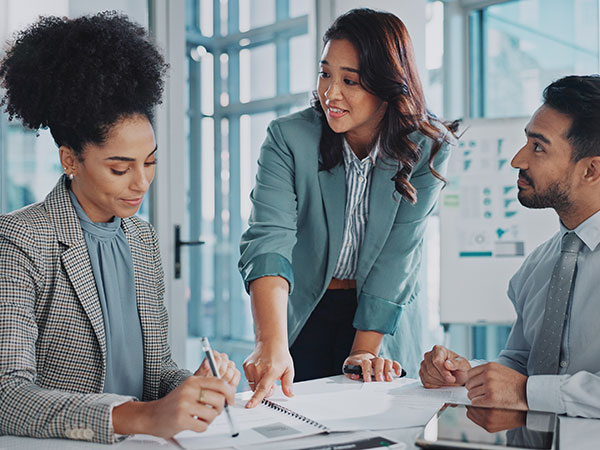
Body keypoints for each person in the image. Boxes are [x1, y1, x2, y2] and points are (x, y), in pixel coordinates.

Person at [0, 12, 240, 444]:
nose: (142, 182)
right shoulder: (20, 241)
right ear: (70, 160)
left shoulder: (142, 240)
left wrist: (192, 384)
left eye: (149, 162)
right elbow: (8, 395)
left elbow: (156, 373)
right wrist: (142, 418)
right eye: (119, 167)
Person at [239, 8, 457, 408]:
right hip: (303, 309)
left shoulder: (428, 147)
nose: (331, 94)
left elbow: (399, 255)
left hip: (379, 315)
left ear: (388, 86)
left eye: (350, 81)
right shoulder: (288, 138)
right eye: (325, 74)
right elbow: (269, 239)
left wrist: (364, 352)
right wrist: (270, 343)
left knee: (376, 420)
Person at [419, 75, 600, 418]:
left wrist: (524, 391)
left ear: (591, 169)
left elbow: (527, 388)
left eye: (538, 147)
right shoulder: (540, 265)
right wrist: (468, 375)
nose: (518, 160)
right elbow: (521, 362)